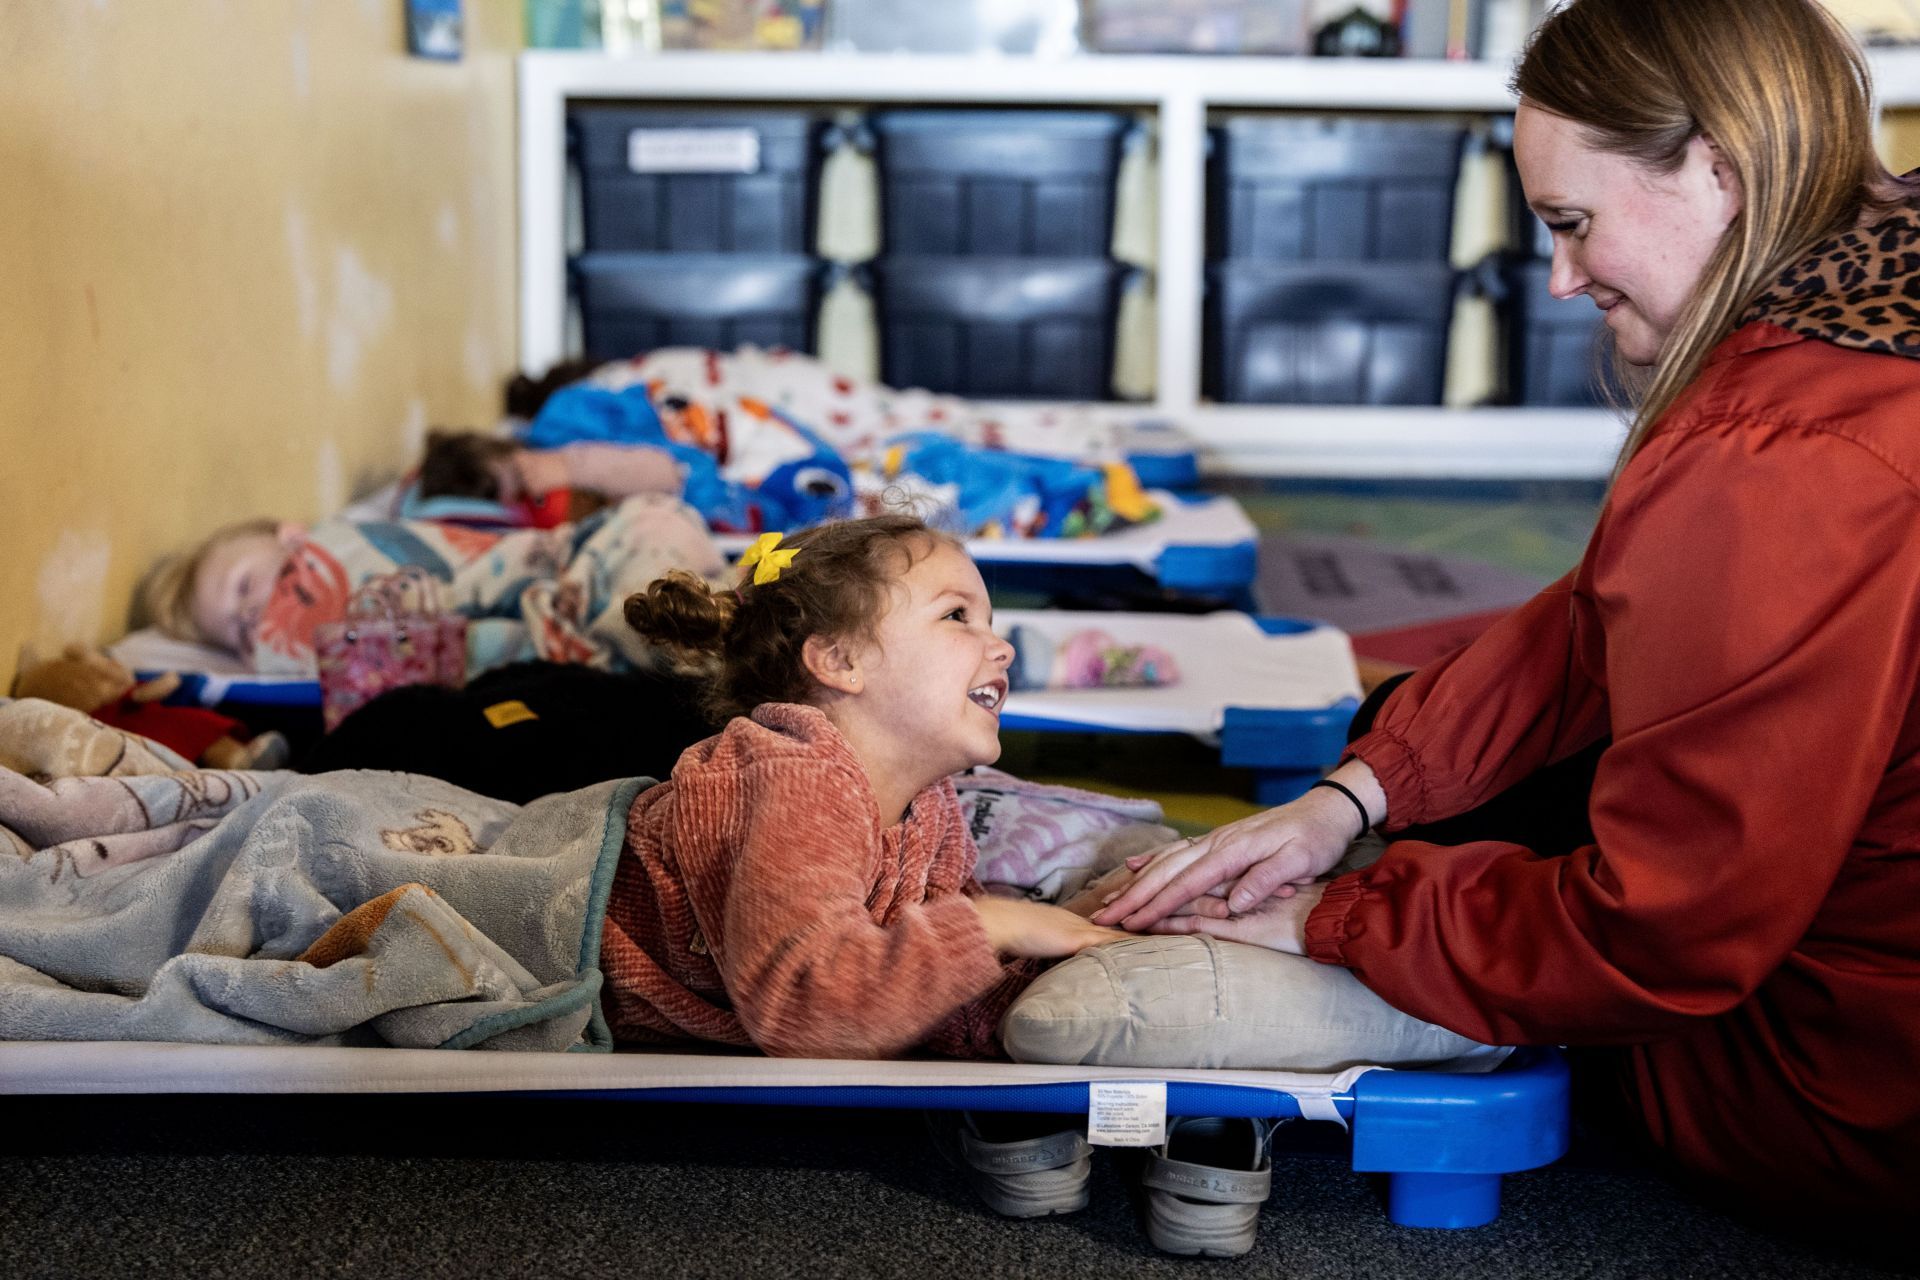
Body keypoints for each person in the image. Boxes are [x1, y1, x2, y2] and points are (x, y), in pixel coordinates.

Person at [1097, 0, 1920, 1226]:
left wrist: (1342, 916)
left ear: (1722, 170)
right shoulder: (1873, 316)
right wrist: (1357, 793)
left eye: (1575, 225)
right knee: (1419, 750)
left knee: (1470, 824)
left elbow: (1664, 937)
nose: (1562, 277)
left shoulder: (1778, 452)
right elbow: (1605, 616)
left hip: (1855, 1097)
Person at [603, 514, 1123, 1060]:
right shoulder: (794, 772)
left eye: (989, 622)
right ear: (840, 660)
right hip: (547, 927)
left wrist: (1096, 917)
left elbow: (938, 1006)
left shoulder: (929, 806)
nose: (1003, 649)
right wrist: (997, 922)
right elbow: (809, 1013)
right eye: (957, 615)